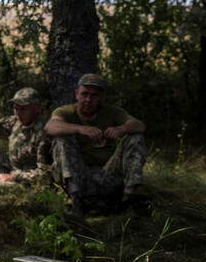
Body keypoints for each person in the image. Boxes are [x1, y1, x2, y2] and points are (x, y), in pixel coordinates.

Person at [44, 73, 147, 214]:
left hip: (107, 175)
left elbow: (139, 125)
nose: (88, 99)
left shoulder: (112, 112)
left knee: (135, 138)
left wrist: (121, 129)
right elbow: (50, 127)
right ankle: (75, 199)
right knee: (62, 137)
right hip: (80, 176)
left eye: (94, 95)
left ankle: (129, 197)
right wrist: (80, 129)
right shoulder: (65, 111)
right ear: (76, 94)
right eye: (84, 94)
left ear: (102, 97)